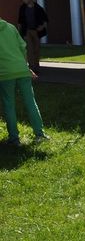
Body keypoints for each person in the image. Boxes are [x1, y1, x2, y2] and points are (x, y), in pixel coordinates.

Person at [0, 16, 47, 146]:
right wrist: (26, 67)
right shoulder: (11, 27)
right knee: (30, 102)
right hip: (21, 69)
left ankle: (14, 139)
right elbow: (23, 47)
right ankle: (40, 134)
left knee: (9, 105)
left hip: (4, 74)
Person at [17, 0, 48, 74]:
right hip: (27, 31)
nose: (24, 1)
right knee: (30, 49)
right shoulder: (22, 8)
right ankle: (32, 68)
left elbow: (45, 20)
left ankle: (36, 67)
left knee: (36, 49)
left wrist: (42, 27)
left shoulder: (38, 8)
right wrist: (18, 32)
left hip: (36, 31)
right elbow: (20, 21)